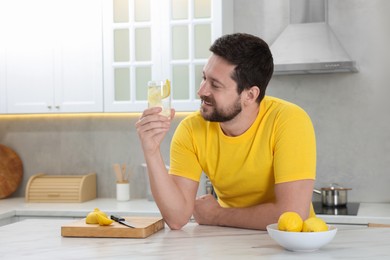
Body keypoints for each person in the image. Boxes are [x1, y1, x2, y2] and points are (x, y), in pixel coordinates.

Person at [136, 33, 316, 230]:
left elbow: (292, 215)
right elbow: (177, 218)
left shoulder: (288, 121)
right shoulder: (191, 129)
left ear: (249, 95)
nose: (202, 91)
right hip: (230, 239)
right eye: (204, 78)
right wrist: (152, 151)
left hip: (289, 245)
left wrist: (217, 215)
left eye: (215, 84)